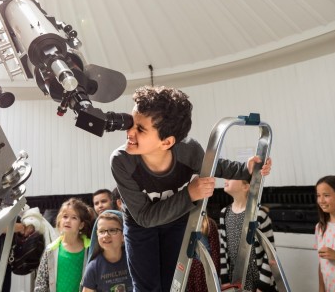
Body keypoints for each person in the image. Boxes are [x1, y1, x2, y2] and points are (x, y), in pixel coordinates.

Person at [110, 85, 272, 291]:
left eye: (140, 129)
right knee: (146, 287)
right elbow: (144, 217)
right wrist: (189, 195)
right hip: (140, 227)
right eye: (132, 123)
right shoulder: (121, 161)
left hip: (176, 220)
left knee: (174, 283)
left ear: (167, 142)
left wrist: (247, 169)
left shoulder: (189, 150)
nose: (130, 132)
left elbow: (216, 166)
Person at [219, 179, 277, 292]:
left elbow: (270, 253)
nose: (225, 179)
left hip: (259, 282)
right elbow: (223, 249)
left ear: (245, 187)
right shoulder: (224, 213)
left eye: (231, 177)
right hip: (235, 282)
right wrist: (225, 281)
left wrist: (262, 286)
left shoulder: (259, 215)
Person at [34, 198, 93, 292]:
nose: (68, 221)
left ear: (81, 225)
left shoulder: (91, 249)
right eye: (65, 216)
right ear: (59, 220)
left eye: (74, 218)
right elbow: (41, 284)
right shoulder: (50, 250)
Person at [82, 210, 133, 291]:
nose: (106, 235)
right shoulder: (93, 267)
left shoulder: (133, 260)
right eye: (101, 231)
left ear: (124, 235)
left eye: (112, 230)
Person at [186, 215, 221, 292]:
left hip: (205, 272)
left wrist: (214, 278)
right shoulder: (184, 224)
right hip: (189, 273)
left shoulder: (209, 224)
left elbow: (215, 254)